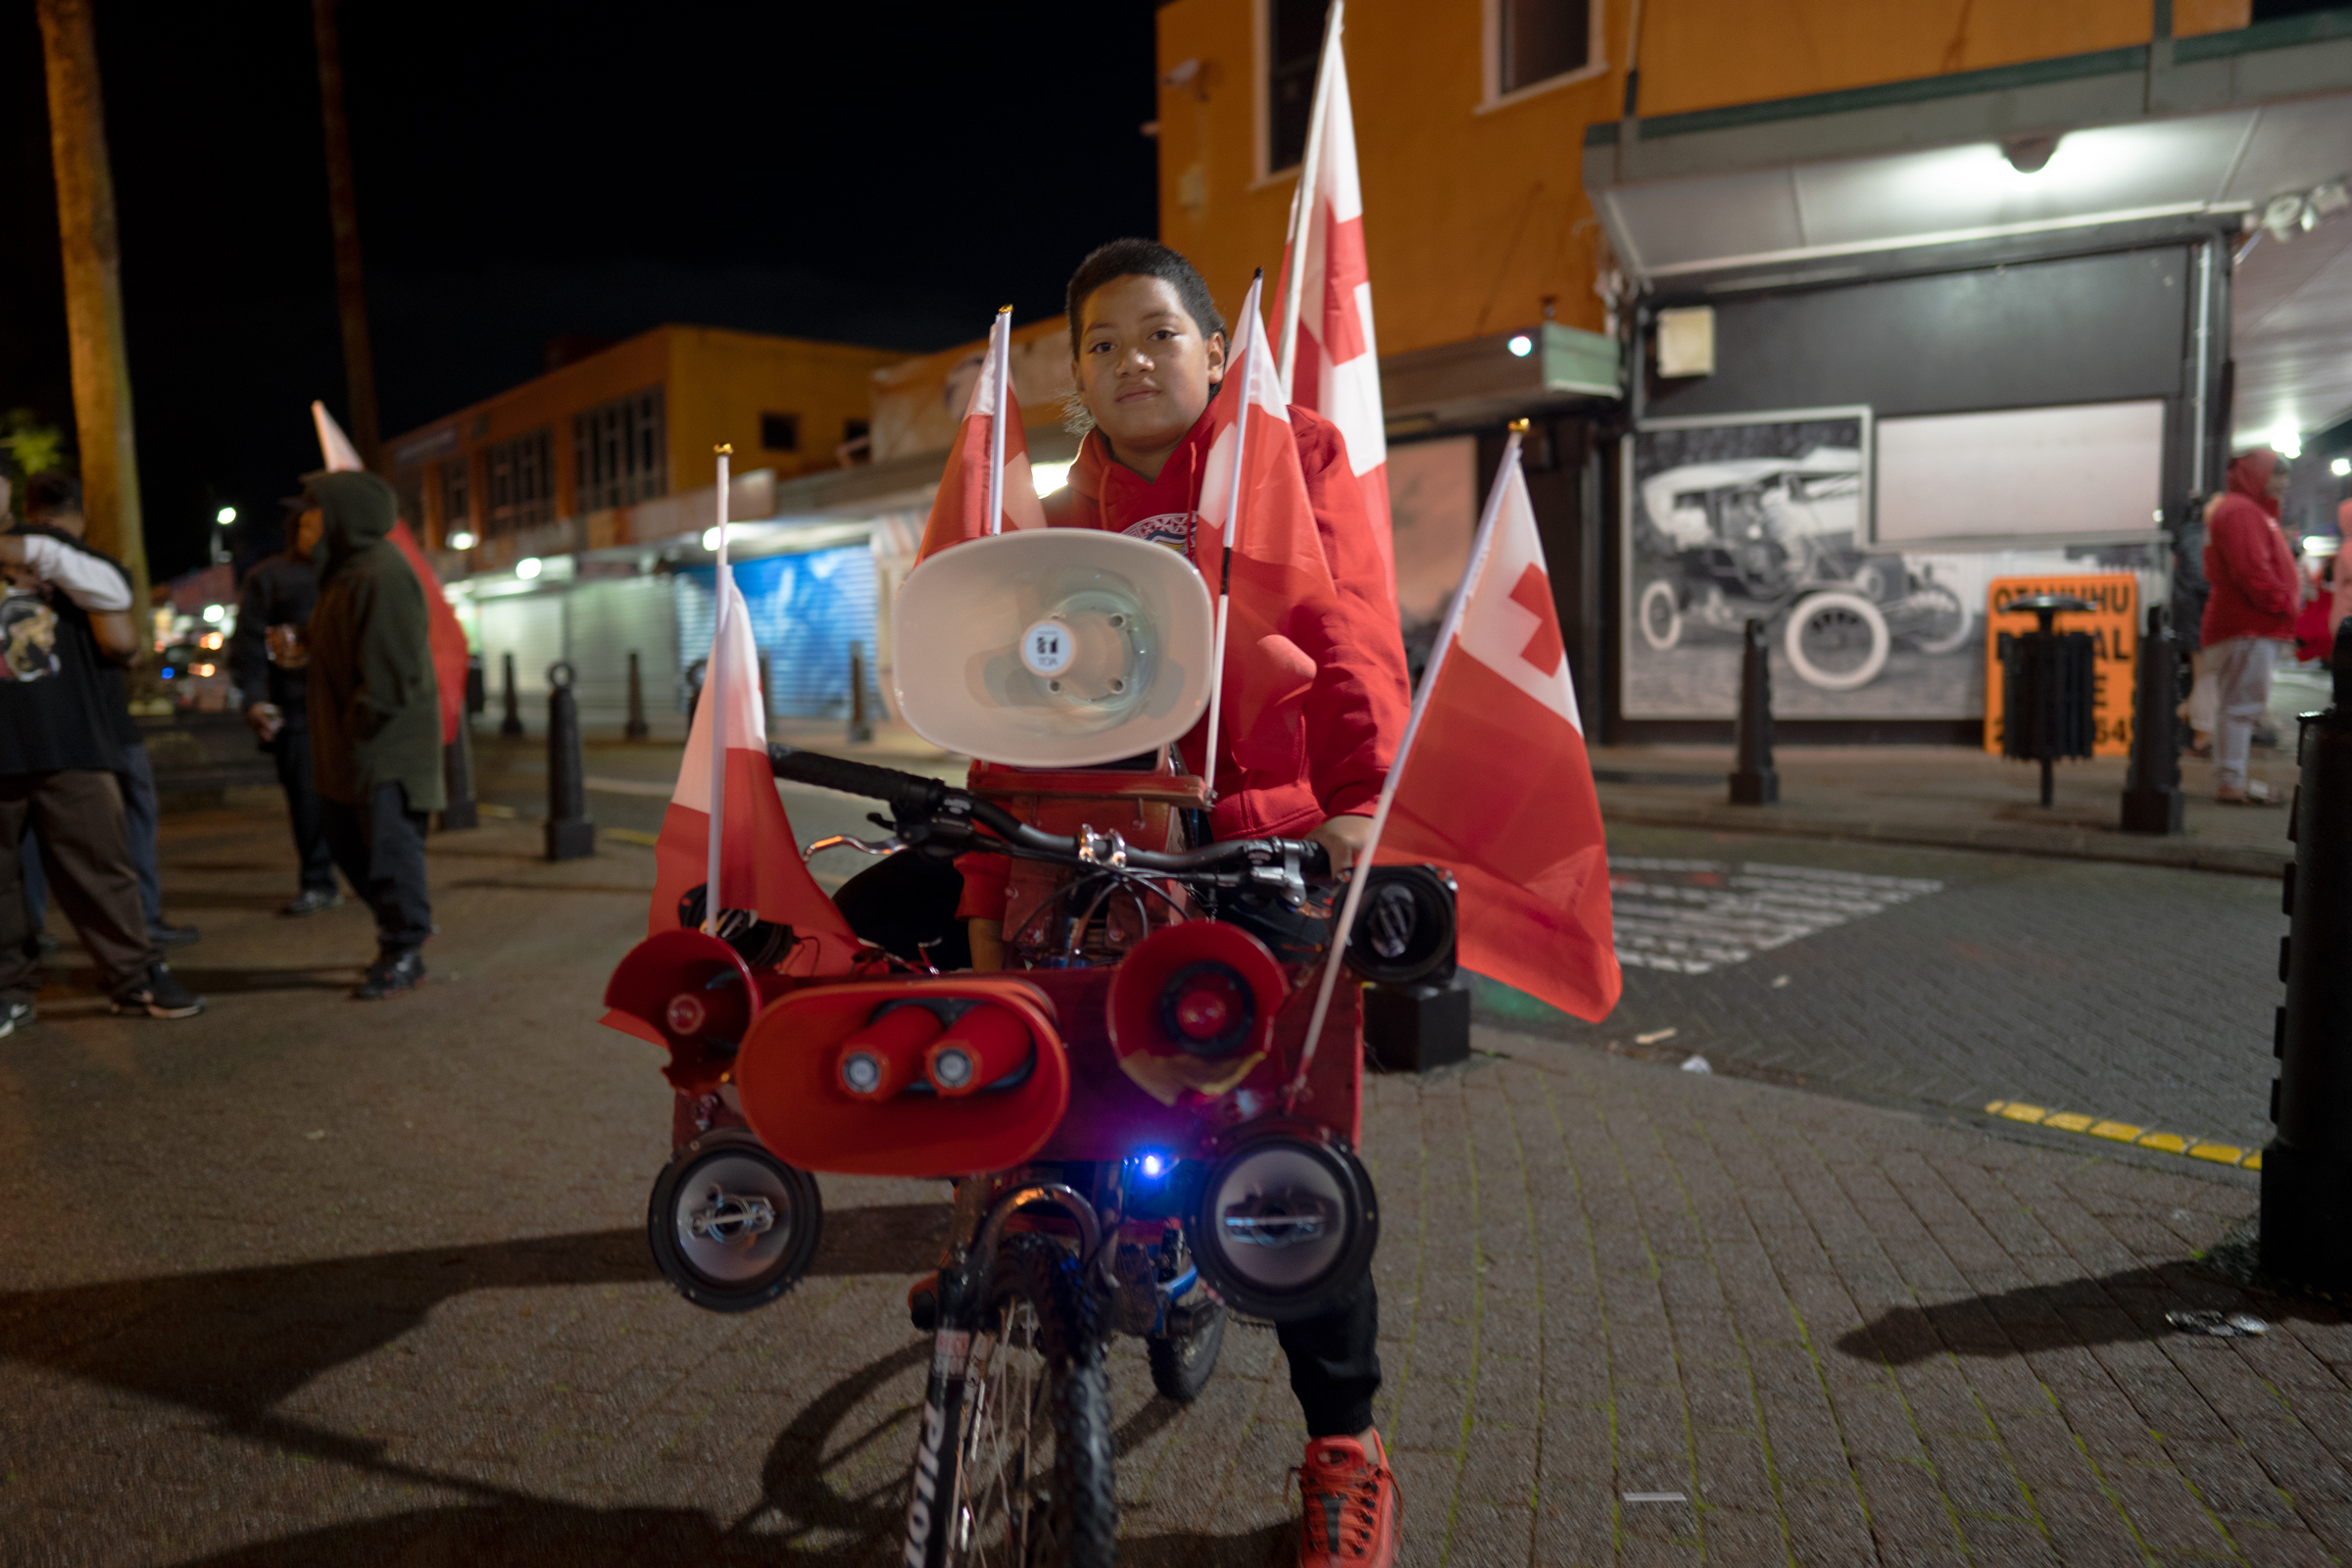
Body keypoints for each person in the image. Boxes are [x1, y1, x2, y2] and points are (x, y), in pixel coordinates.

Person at [849, 239, 1410, 1567]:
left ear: (1215, 352)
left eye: (1157, 333)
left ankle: (1347, 1443)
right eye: (1100, 344)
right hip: (1086, 846)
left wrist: (1357, 798)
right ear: (1076, 381)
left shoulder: (1287, 455)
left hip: (1251, 839)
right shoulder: (1056, 508)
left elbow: (1347, 629)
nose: (1130, 360)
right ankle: (1005, 1220)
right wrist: (990, 845)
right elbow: (1016, 691)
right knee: (996, 1026)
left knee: (1289, 1163)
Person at [0, 508, 206, 1030]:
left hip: (68, 736)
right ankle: (9, 989)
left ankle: (133, 977)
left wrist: (34, 553)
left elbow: (115, 593)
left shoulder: (43, 544)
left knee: (101, 864)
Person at [20, 472, 199, 951]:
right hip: (104, 721)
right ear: (82, 510)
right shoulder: (87, 565)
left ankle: (32, 930)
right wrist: (133, 651)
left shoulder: (15, 564)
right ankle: (139, 929)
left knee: (30, 835)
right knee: (127, 825)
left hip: (36, 724)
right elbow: (117, 641)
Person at [304, 470, 444, 998]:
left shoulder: (380, 574)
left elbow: (389, 676)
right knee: (349, 846)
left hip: (384, 750)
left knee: (389, 851)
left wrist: (357, 728)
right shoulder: (344, 575)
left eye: (316, 511)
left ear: (345, 516)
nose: (305, 522)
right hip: (351, 749)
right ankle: (405, 927)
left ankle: (405, 947)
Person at [228, 499, 339, 915]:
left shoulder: (348, 574)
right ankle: (318, 880)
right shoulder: (269, 577)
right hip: (296, 706)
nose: (318, 537)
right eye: (310, 528)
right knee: (307, 800)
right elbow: (248, 645)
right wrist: (256, 698)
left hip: (348, 707)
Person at [2201, 448, 2300, 804]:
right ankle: (2231, 782)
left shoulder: (2242, 510)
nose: (2285, 483)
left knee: (2239, 706)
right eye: (2279, 474)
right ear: (2259, 476)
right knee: (2240, 707)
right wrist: (2284, 604)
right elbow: (2252, 571)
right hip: (2249, 626)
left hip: (2248, 625)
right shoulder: (2242, 511)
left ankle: (2233, 779)